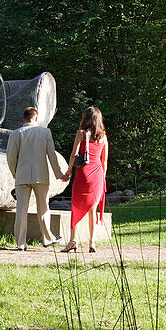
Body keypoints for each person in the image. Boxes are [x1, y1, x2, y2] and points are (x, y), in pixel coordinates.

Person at [6, 106, 69, 251]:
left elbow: (10, 158)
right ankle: (47, 239)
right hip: (41, 176)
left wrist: (16, 174)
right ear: (36, 118)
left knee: (21, 210)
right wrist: (59, 175)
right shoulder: (45, 132)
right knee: (43, 208)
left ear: (24, 118)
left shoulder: (15, 134)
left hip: (22, 176)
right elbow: (52, 156)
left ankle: (20, 243)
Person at [62, 106, 108, 253]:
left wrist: (69, 172)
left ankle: (72, 241)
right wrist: (103, 177)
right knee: (92, 210)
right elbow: (104, 161)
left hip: (83, 174)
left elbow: (74, 154)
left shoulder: (81, 134)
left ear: (86, 119)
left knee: (75, 206)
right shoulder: (103, 137)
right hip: (97, 175)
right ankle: (92, 242)